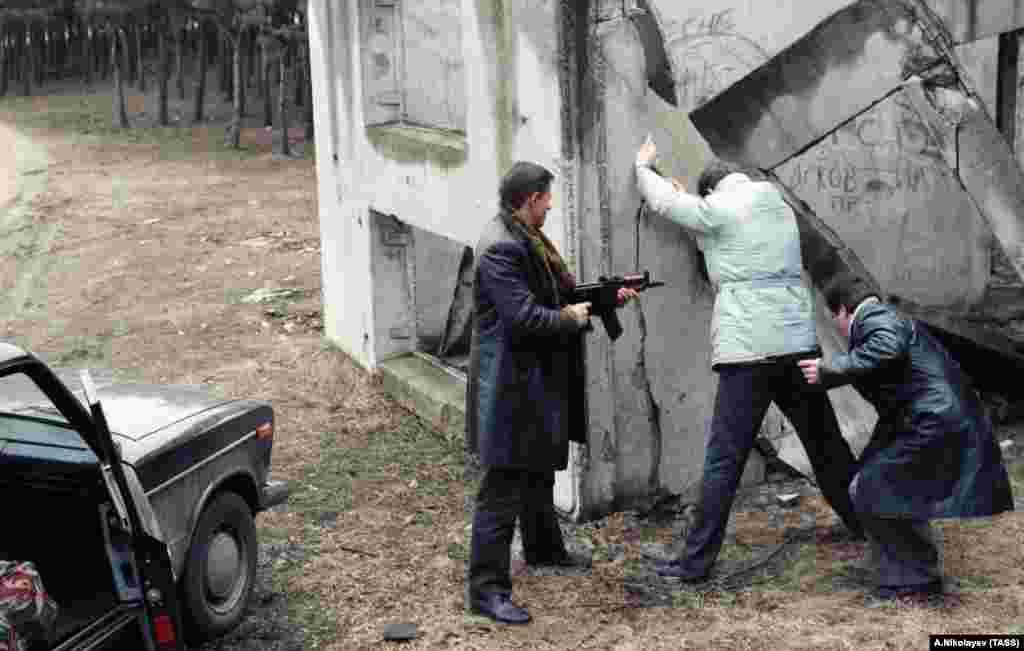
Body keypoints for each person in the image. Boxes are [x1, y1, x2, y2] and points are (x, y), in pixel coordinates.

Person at [634, 140, 864, 583]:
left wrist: (644, 167)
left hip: (749, 354)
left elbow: (665, 203)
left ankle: (695, 562)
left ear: (712, 190)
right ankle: (869, 525)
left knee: (725, 459)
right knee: (827, 446)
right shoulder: (776, 203)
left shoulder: (718, 210)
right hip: (798, 346)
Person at [466, 161, 638, 624]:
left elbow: (553, 293)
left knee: (538, 470)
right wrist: (572, 318)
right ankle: (486, 590)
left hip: (530, 379)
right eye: (545, 200)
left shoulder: (522, 236)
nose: (549, 208)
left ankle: (543, 549)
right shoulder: (502, 248)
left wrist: (603, 299)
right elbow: (523, 315)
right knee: (500, 489)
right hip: (509, 384)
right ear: (528, 200)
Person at [798, 272, 1014, 603]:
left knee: (873, 487)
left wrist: (831, 370)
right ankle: (902, 572)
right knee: (879, 484)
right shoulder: (887, 317)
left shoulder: (875, 318)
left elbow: (888, 347)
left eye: (835, 320)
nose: (839, 330)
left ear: (842, 311)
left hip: (933, 423)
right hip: (930, 419)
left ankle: (913, 581)